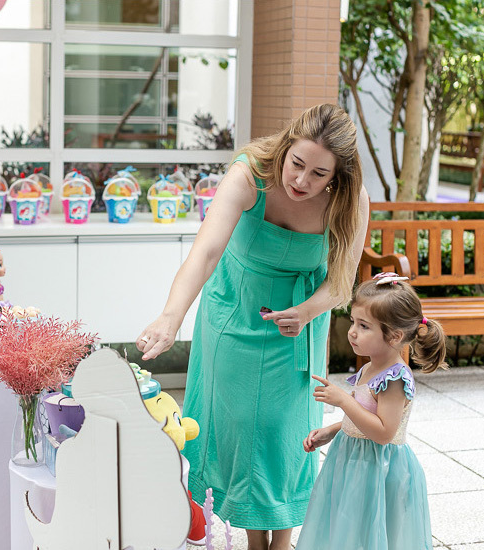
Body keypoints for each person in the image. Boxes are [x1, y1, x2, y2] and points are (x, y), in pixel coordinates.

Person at [136, 103, 370, 550]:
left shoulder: (349, 200)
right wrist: (171, 314)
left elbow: (342, 283)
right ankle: (249, 537)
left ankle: (279, 544)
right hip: (234, 311)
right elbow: (205, 253)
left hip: (299, 325)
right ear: (284, 149)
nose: (301, 181)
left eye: (318, 174)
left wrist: (305, 312)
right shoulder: (250, 175)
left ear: (336, 178)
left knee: (285, 433)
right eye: (296, 164)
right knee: (238, 426)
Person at [297, 273, 443, 549]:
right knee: (351, 531)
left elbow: (385, 432)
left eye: (364, 326)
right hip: (353, 461)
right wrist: (330, 431)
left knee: (373, 533)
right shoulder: (370, 366)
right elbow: (365, 415)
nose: (352, 331)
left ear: (394, 336)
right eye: (353, 321)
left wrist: (343, 400)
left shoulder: (395, 379)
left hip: (379, 467)